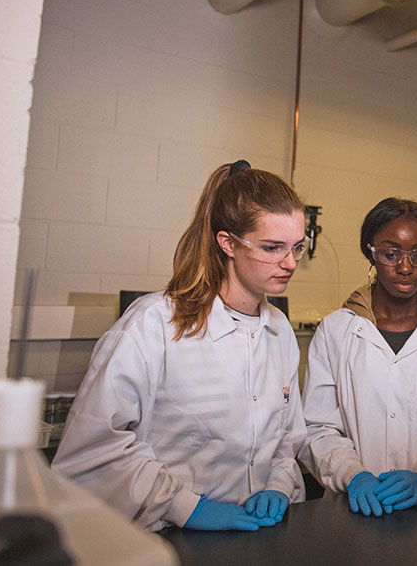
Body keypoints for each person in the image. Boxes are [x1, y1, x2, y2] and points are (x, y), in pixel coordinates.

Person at [52, 161, 308, 532]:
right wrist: (187, 507)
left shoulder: (279, 330)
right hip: (169, 536)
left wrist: (279, 486)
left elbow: (286, 439)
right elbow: (94, 449)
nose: (289, 263)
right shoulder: (154, 323)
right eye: (273, 248)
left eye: (297, 247)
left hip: (257, 535)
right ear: (228, 243)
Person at [300, 198, 417, 517]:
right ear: (370, 251)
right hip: (357, 508)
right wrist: (351, 474)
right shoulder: (336, 330)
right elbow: (317, 427)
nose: (405, 267)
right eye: (391, 254)